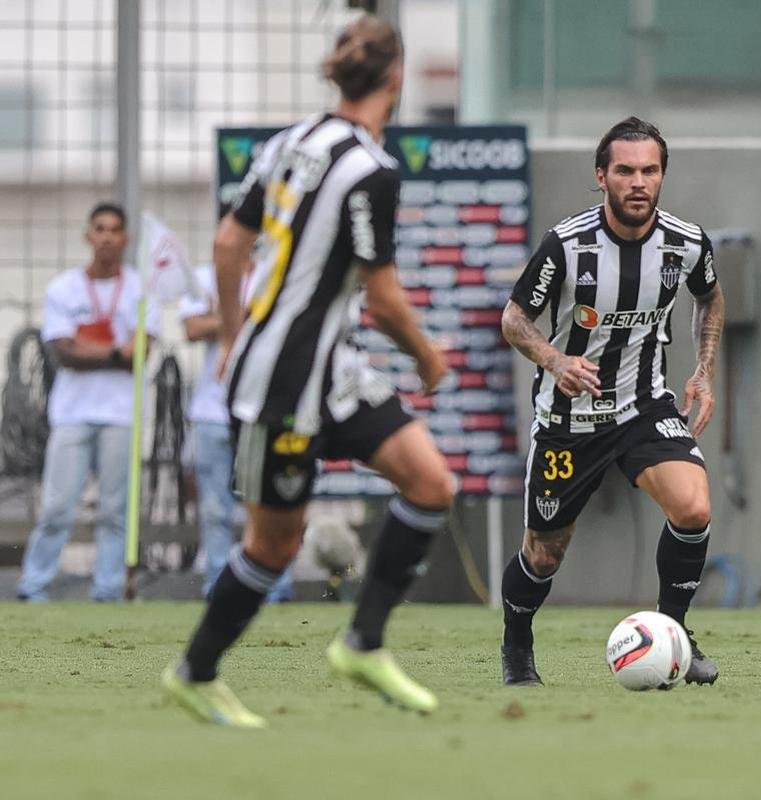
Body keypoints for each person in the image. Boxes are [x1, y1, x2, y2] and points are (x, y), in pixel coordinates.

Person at [162, 15, 455, 728]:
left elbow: (230, 244)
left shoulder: (288, 142)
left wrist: (233, 336)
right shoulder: (371, 171)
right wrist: (426, 356)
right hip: (284, 382)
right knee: (275, 544)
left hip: (329, 369)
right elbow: (383, 300)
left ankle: (363, 642)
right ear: (396, 78)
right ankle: (195, 673)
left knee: (430, 483)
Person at [499, 116, 724, 687]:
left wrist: (703, 368)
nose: (638, 182)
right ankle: (517, 644)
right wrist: (555, 360)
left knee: (694, 508)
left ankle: (673, 634)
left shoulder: (686, 242)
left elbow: (711, 296)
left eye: (650, 170)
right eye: (625, 170)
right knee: (544, 555)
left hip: (645, 406)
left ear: (663, 176)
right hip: (568, 419)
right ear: (601, 176)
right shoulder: (567, 245)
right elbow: (515, 320)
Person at [17, 203, 158, 602]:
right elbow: (63, 352)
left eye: (115, 230)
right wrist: (117, 352)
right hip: (73, 414)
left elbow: (144, 351)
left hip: (120, 415)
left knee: (115, 511)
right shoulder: (63, 288)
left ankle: (108, 590)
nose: (108, 237)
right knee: (57, 508)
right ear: (88, 235)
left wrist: (91, 348)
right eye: (100, 228)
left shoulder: (140, 287)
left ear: (125, 238)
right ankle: (33, 586)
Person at [179, 260, 293, 603]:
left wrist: (223, 318)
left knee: (267, 506)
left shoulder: (280, 272)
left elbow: (285, 325)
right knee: (215, 510)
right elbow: (192, 329)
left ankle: (275, 589)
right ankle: (218, 588)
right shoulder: (202, 275)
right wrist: (247, 316)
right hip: (212, 412)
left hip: (263, 410)